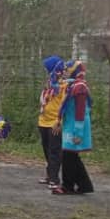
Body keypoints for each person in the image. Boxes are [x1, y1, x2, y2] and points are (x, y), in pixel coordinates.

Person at [54, 60, 94, 195]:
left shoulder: (80, 87)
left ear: (75, 71)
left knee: (68, 156)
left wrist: (78, 133)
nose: (64, 72)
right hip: (70, 125)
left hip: (76, 126)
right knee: (71, 156)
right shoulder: (73, 85)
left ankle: (68, 186)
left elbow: (80, 111)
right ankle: (85, 185)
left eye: (67, 69)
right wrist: (59, 120)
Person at [38, 55, 67, 192]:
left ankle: (55, 180)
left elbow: (65, 104)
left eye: (47, 69)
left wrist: (60, 121)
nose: (45, 71)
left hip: (55, 122)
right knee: (47, 151)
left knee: (55, 151)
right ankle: (50, 175)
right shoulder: (49, 82)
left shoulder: (64, 84)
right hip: (43, 121)